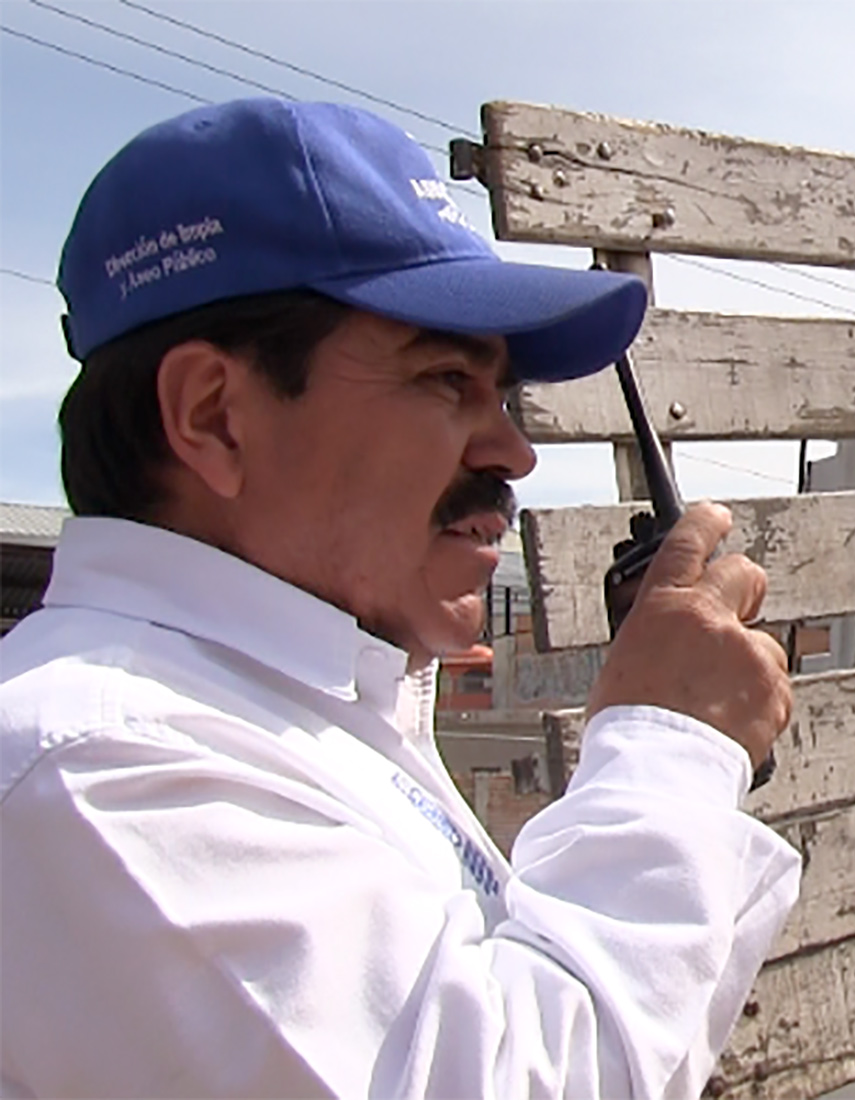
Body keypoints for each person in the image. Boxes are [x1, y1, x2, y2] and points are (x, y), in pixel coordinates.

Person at [0, 98, 799, 1097]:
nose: (513, 450)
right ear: (213, 417)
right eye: (444, 380)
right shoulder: (96, 767)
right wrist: (667, 747)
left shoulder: (294, 709)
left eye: (501, 395)